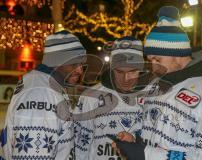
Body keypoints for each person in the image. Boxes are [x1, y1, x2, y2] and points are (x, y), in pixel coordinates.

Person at [113, 6, 202, 160]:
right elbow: (152, 132)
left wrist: (146, 154)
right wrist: (134, 140)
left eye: (157, 60)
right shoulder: (157, 86)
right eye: (150, 60)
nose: (152, 66)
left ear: (177, 55)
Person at [0, 30, 86, 160]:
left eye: (81, 64)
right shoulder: (42, 94)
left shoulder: (45, 85)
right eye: (74, 64)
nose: (80, 70)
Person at [74, 36, 145, 160]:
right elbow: (79, 145)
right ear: (111, 69)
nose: (126, 79)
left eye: (133, 71)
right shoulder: (91, 96)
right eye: (120, 72)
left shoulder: (153, 97)